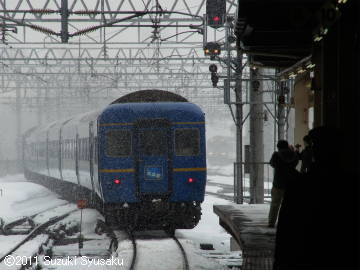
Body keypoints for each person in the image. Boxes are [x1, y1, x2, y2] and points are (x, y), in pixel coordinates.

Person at [268, 140, 299, 228]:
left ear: (278, 146)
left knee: (275, 204)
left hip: (278, 182)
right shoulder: (293, 154)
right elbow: (296, 163)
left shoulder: (276, 155)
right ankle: (289, 223)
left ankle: (271, 222)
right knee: (289, 205)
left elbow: (272, 164)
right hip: (291, 183)